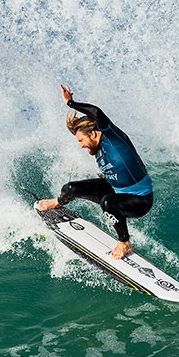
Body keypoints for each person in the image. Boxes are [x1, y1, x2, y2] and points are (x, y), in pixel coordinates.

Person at [36, 84, 153, 259]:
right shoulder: (96, 149)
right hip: (115, 190)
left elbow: (96, 113)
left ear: (93, 134)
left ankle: (124, 243)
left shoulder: (113, 138)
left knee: (108, 202)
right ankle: (58, 202)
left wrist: (70, 103)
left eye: (81, 140)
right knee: (70, 188)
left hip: (139, 199)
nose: (81, 145)